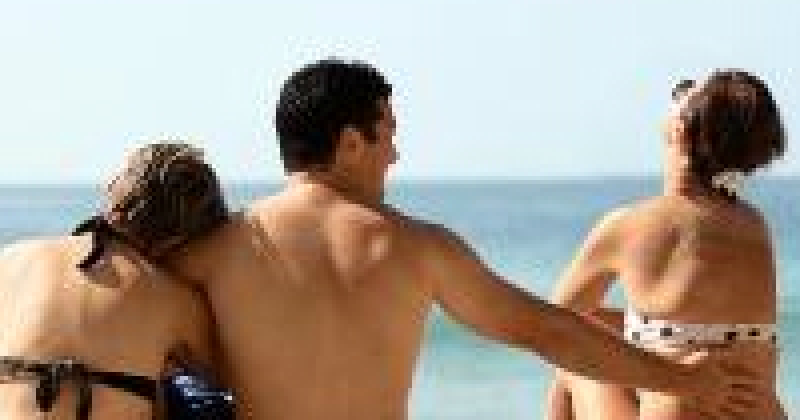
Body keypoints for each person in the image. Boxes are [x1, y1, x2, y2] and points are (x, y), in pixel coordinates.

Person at [172, 59, 767, 420]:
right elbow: (548, 330)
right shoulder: (417, 248)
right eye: (388, 134)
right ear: (351, 143)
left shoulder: (215, 251)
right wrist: (687, 379)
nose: (396, 154)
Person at [546, 70, 787, 419]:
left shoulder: (630, 225)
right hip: (763, 413)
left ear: (680, 130)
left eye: (684, 92)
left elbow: (550, 324)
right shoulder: (753, 226)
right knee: (595, 324)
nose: (677, 92)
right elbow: (699, 324)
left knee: (569, 360)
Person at [0, 142, 234, 419]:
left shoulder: (14, 257)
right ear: (182, 240)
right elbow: (230, 378)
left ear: (113, 190)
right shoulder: (174, 298)